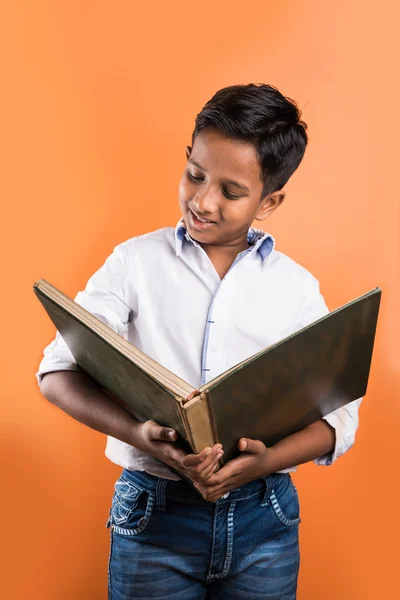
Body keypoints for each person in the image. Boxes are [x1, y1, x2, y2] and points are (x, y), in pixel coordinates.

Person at [36, 83, 361, 600]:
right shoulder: (134, 262)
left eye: (231, 192)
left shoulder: (296, 288)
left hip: (266, 520)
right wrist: (142, 436)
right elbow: (56, 374)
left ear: (270, 200)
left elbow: (340, 416)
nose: (203, 201)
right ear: (187, 158)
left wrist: (267, 461)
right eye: (194, 175)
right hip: (154, 517)